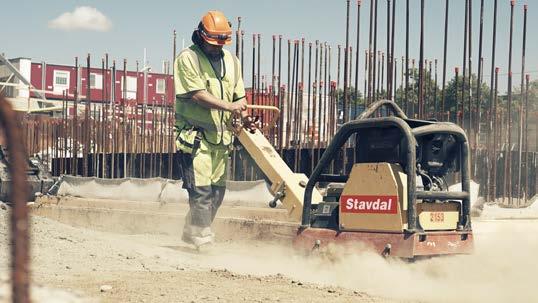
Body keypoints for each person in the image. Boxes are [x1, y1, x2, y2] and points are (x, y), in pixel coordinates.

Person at [174, 11, 250, 249]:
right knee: (201, 192)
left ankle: (190, 230)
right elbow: (196, 94)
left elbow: (240, 97)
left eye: (221, 44)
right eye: (212, 43)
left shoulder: (232, 62)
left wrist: (245, 117)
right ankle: (201, 235)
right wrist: (229, 106)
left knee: (217, 194)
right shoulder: (188, 59)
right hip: (195, 138)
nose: (217, 48)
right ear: (200, 36)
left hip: (221, 140)